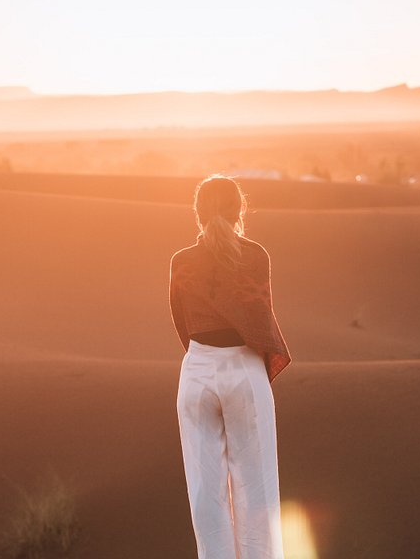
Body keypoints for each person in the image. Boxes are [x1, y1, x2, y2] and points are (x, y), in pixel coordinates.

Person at [169, 174, 292, 559]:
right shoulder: (256, 256)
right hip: (243, 371)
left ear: (198, 213)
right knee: (256, 489)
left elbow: (182, 325)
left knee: (206, 492)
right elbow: (260, 318)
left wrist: (206, 361)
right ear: (240, 210)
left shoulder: (181, 261)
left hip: (197, 372)